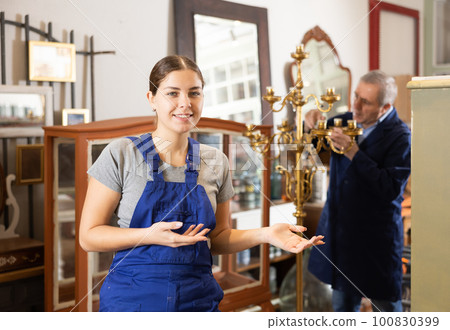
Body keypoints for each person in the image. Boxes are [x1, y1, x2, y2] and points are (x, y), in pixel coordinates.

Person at [79, 55, 324, 312]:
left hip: (197, 301)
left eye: (194, 93)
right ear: (151, 99)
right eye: (172, 93)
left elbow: (217, 238)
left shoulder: (215, 161)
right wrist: (149, 235)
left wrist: (265, 234)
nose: (185, 104)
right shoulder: (121, 153)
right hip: (132, 302)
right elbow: (89, 236)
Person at [306, 70, 411, 312]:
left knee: (386, 310)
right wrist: (308, 121)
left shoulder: (400, 136)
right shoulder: (346, 120)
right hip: (343, 237)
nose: (356, 106)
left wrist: (354, 153)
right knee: (343, 310)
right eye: (355, 96)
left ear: (385, 107)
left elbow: (391, 188)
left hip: (377, 242)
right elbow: (312, 140)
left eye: (365, 102)